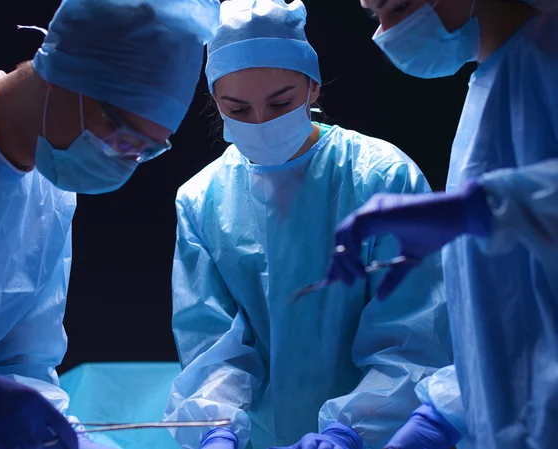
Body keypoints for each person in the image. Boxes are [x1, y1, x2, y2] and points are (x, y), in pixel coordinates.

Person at [163, 1, 453, 449]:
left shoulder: (381, 178)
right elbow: (211, 343)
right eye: (237, 110)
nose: (262, 124)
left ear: (312, 87)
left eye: (281, 102)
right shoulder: (203, 200)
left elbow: (413, 338)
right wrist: (216, 425)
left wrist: (350, 430)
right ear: (215, 103)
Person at [0, 0, 219, 448]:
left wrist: (63, 437)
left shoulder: (51, 196)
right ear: (68, 78)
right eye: (123, 139)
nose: (126, 162)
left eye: (143, 152)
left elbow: (21, 360)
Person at [325, 0, 558, 448]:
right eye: (376, 15)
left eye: (398, 6)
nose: (386, 33)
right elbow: (510, 321)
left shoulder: (544, 60)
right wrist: (446, 410)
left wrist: (476, 209)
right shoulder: (490, 85)